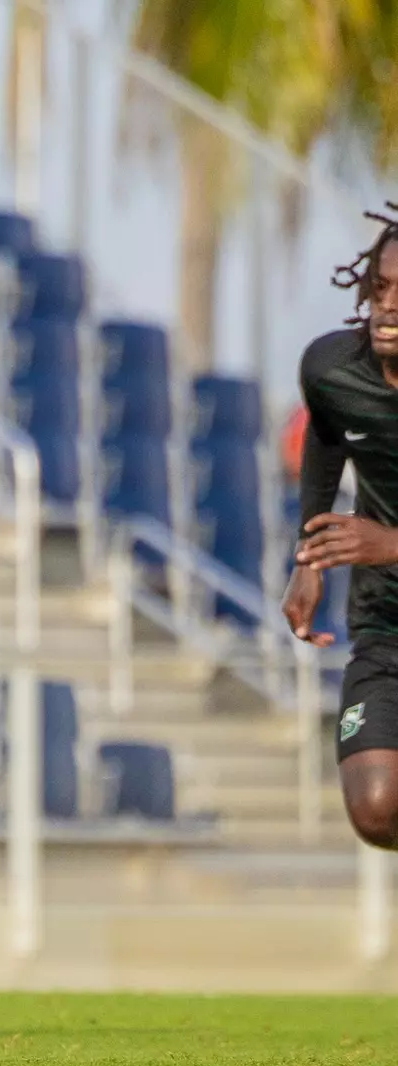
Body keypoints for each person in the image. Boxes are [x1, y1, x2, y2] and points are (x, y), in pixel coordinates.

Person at [288, 201, 398, 851]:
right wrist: (310, 556)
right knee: (376, 807)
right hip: (387, 626)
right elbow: (329, 433)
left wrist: (389, 543)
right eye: (380, 288)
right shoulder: (333, 369)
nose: (388, 306)